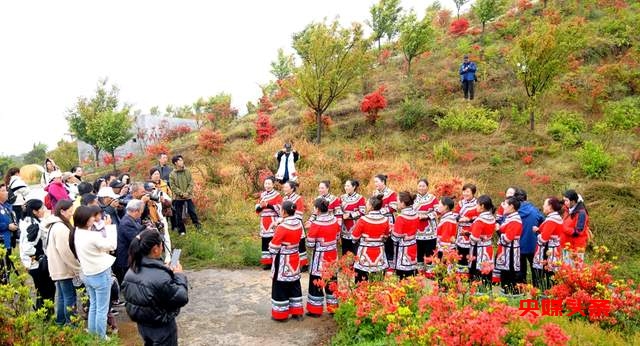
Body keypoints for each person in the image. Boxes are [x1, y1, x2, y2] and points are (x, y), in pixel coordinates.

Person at [122, 229, 188, 346]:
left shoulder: (131, 271)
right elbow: (181, 297)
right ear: (156, 249)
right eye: (161, 244)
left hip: (143, 325)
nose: (162, 248)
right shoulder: (160, 277)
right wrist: (179, 275)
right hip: (161, 327)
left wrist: (163, 269)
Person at [72, 205, 117, 339]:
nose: (94, 218)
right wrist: (109, 227)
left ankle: (93, 334)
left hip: (87, 273)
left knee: (94, 306)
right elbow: (112, 245)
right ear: (87, 221)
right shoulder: (92, 236)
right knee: (102, 309)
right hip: (100, 273)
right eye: (92, 217)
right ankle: (102, 337)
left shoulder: (77, 233)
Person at [44, 199, 81, 325]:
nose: (71, 214)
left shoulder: (55, 225)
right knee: (69, 297)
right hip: (64, 268)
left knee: (61, 297)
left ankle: (60, 322)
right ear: (62, 211)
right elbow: (65, 251)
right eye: (70, 211)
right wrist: (77, 268)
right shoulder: (60, 227)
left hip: (57, 268)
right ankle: (71, 324)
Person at [269, 200, 304, 322]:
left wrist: (275, 229)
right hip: (295, 256)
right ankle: (297, 312)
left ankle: (281, 314)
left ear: (283, 211)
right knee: (294, 283)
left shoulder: (283, 227)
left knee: (280, 285)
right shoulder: (299, 223)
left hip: (283, 258)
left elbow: (273, 247)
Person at [19, 199, 56, 310]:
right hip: (37, 265)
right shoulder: (32, 226)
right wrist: (39, 256)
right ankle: (46, 315)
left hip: (34, 264)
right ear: (35, 211)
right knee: (46, 290)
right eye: (42, 208)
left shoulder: (28, 221)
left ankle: (44, 315)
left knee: (43, 290)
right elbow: (27, 247)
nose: (44, 209)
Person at [305, 198, 340, 317]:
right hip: (333, 255)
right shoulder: (334, 220)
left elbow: (310, 244)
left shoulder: (316, 224)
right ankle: (333, 308)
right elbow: (337, 235)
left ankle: (315, 310)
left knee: (317, 282)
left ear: (318, 209)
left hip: (320, 257)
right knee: (332, 281)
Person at [352, 194, 390, 283]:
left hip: (364, 256)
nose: (366, 205)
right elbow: (386, 236)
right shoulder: (385, 219)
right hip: (379, 255)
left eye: (367, 204)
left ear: (371, 207)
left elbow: (354, 237)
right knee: (377, 283)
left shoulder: (363, 219)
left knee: (361, 283)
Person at [532, 197, 564, 290]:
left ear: (550, 207)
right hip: (554, 248)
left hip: (549, 250)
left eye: (544, 204)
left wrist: (538, 235)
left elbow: (543, 238)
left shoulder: (551, 220)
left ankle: (547, 293)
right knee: (552, 273)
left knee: (549, 273)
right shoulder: (555, 217)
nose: (543, 206)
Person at [514, 188, 544, 284]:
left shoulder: (514, 212)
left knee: (520, 269)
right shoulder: (535, 210)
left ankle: (520, 289)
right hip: (533, 244)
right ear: (526, 198)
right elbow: (544, 222)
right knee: (535, 268)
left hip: (518, 245)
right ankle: (537, 288)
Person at [114, 200, 146, 285]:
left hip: (130, 256)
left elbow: (138, 229)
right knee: (131, 283)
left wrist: (145, 227)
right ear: (136, 211)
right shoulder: (127, 222)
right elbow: (135, 239)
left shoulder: (131, 219)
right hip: (127, 258)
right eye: (141, 212)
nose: (141, 214)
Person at [495, 197, 522, 295]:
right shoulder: (510, 218)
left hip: (510, 251)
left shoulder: (515, 220)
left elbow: (507, 238)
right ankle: (506, 294)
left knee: (509, 274)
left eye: (505, 205)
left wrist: (498, 230)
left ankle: (511, 295)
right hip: (506, 250)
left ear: (511, 206)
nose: (503, 207)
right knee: (505, 273)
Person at [468, 195, 495, 290]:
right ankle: (487, 290)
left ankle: (476, 291)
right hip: (488, 247)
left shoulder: (480, 220)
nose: (476, 207)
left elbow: (474, 237)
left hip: (479, 249)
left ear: (482, 206)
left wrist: (468, 234)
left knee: (478, 270)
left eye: (477, 205)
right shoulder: (492, 217)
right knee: (487, 270)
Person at [169, 155, 201, 235]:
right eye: (180, 160)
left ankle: (198, 228)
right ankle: (181, 231)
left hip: (188, 196)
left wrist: (187, 193)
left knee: (192, 212)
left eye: (182, 160)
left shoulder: (187, 171)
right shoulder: (172, 174)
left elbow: (191, 183)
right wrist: (181, 194)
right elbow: (173, 187)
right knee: (178, 215)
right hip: (178, 198)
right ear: (175, 163)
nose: (182, 161)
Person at [391, 192, 419, 279]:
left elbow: (395, 237)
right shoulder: (416, 214)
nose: (397, 203)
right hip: (412, 246)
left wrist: (391, 230)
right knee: (411, 277)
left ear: (403, 203)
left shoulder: (401, 217)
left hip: (402, 250)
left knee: (402, 278)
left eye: (397, 201)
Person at [256, 176, 282, 269]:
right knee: (265, 241)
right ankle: (267, 262)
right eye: (266, 183)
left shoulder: (277, 195)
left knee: (273, 240)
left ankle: (275, 261)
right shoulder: (262, 195)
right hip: (264, 220)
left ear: (273, 184)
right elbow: (257, 208)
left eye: (269, 184)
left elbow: (280, 208)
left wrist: (268, 205)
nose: (267, 185)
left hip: (272, 219)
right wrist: (261, 206)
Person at [372, 174, 397, 270]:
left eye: (377, 182)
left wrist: (380, 211)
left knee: (388, 242)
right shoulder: (374, 193)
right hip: (377, 221)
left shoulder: (391, 193)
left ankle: (390, 265)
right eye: (374, 182)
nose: (375, 184)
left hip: (388, 221)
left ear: (383, 182)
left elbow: (394, 207)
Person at [414, 178, 439, 273]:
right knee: (418, 250)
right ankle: (419, 271)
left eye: (423, 186)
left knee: (429, 250)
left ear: (427, 187)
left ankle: (430, 271)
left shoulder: (432, 198)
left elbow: (438, 211)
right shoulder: (413, 198)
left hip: (430, 229)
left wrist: (427, 216)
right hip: (417, 229)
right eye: (419, 186)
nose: (421, 188)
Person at [282, 181, 308, 269]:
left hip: (297, 224)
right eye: (284, 187)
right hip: (286, 225)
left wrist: (288, 217)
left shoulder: (298, 198)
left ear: (292, 189)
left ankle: (303, 264)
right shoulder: (284, 199)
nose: (284, 189)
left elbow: (300, 213)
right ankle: (293, 262)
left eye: (286, 187)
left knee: (300, 244)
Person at [453, 183, 479, 273]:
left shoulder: (477, 203)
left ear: (473, 193)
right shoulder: (461, 203)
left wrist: (469, 219)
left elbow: (479, 216)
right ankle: (461, 274)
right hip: (461, 232)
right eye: (464, 191)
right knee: (461, 253)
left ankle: (471, 273)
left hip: (473, 231)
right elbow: (455, 215)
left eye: (468, 191)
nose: (465, 194)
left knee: (471, 253)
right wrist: (460, 219)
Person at [561, 189, 589, 265]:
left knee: (575, 270)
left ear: (573, 201)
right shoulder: (569, 209)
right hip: (567, 245)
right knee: (566, 269)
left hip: (576, 247)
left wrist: (563, 228)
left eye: (566, 201)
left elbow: (578, 231)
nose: (564, 203)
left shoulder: (581, 213)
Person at [340, 179, 366, 256]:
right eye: (345, 186)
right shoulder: (342, 197)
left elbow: (362, 212)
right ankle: (345, 266)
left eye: (348, 186)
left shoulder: (360, 198)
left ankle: (356, 267)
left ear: (354, 187)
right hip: (344, 228)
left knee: (355, 250)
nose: (346, 187)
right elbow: (338, 210)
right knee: (345, 250)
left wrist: (350, 215)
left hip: (355, 227)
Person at [0, 183, 19, 283]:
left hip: (9, 239)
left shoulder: (6, 205)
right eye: (3, 190)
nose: (6, 192)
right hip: (2, 241)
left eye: (6, 190)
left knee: (7, 265)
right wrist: (7, 226)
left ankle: (7, 285)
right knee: (2, 266)